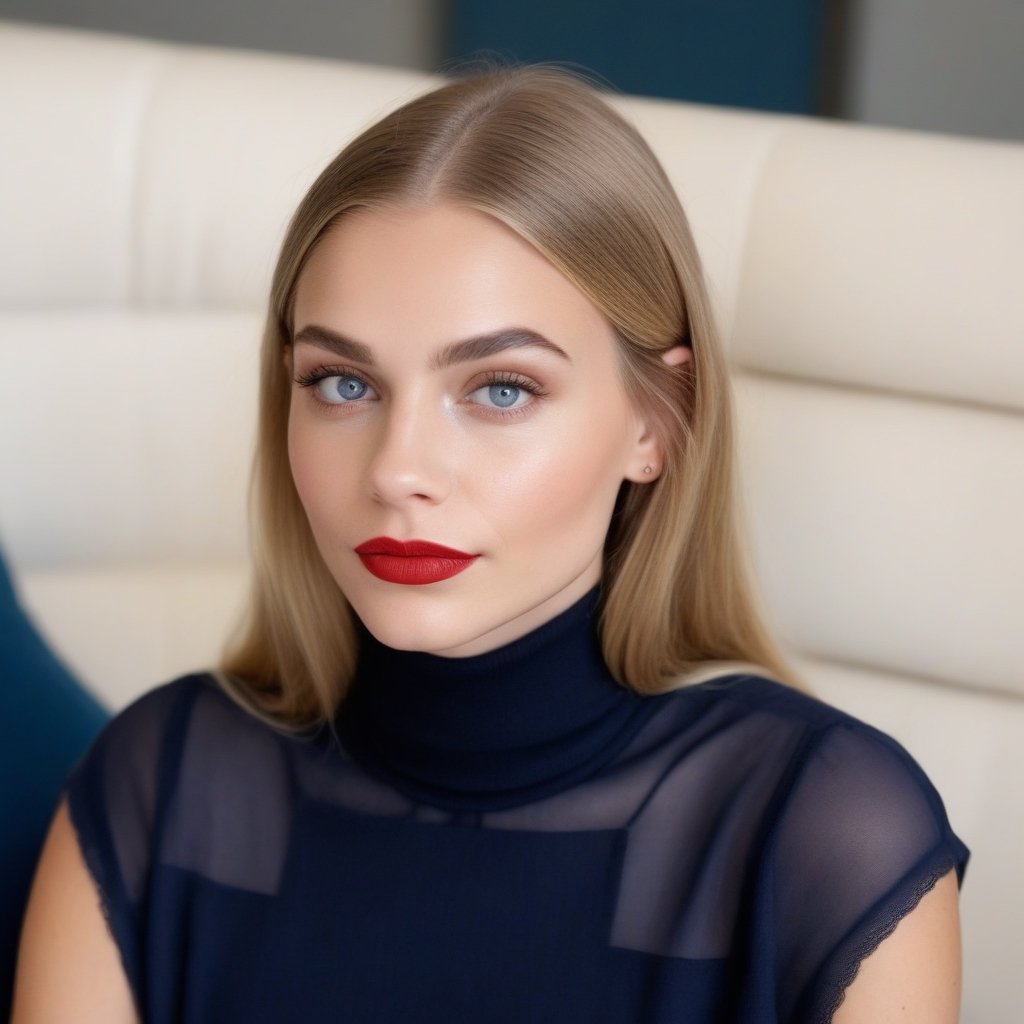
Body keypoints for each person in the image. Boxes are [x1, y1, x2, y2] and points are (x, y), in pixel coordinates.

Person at [13, 65, 967, 1023]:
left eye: (500, 389)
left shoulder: (827, 834)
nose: (397, 469)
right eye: (343, 383)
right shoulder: (158, 786)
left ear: (657, 422)